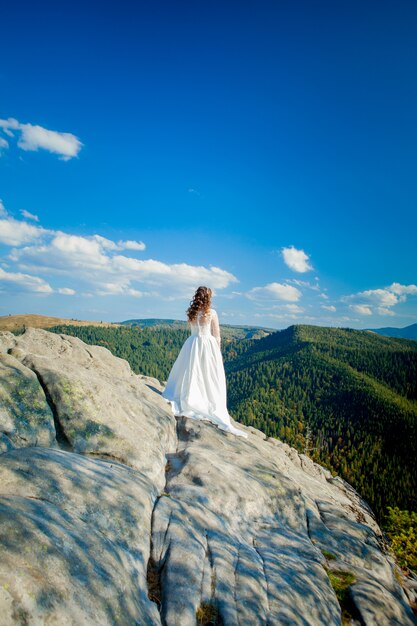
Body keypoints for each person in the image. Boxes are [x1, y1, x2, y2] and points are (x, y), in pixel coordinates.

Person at [162, 286, 248, 438]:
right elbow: (217, 335)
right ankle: (205, 399)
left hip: (192, 343)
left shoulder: (192, 312)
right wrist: (218, 353)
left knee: (191, 372)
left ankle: (189, 396)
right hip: (207, 345)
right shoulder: (211, 313)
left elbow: (194, 330)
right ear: (208, 297)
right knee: (207, 375)